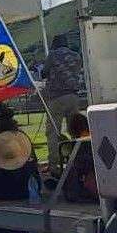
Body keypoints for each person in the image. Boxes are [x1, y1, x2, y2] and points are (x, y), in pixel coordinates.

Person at [39, 34, 84, 175]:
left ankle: (54, 163)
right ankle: (79, 159)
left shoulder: (53, 55)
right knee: (75, 130)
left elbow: (44, 74)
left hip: (56, 97)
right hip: (73, 96)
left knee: (53, 131)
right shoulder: (76, 56)